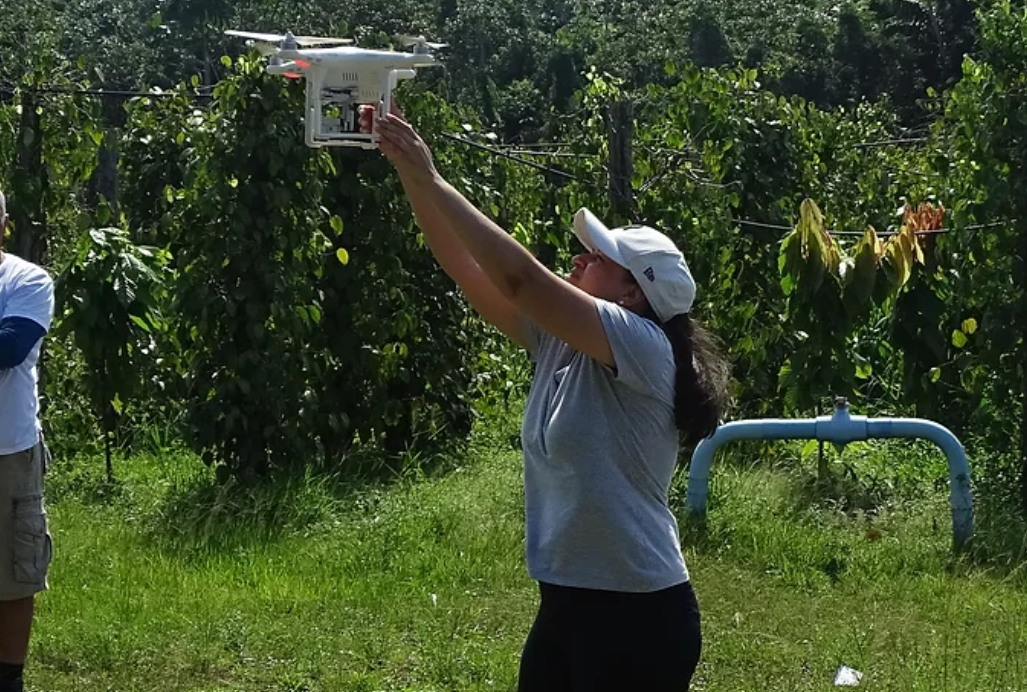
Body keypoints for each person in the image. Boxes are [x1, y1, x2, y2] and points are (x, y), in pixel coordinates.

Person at [374, 111, 731, 691]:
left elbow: (523, 281)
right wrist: (413, 179)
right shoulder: (560, 342)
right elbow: (467, 270)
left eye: (598, 258)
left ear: (631, 293)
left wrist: (437, 179)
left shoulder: (645, 347)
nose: (580, 259)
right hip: (567, 601)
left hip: (638, 616)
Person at [0, 189, 55, 692]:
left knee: (15, 574)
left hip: (8, 453)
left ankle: (8, 679)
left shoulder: (26, 279)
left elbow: (9, 346)